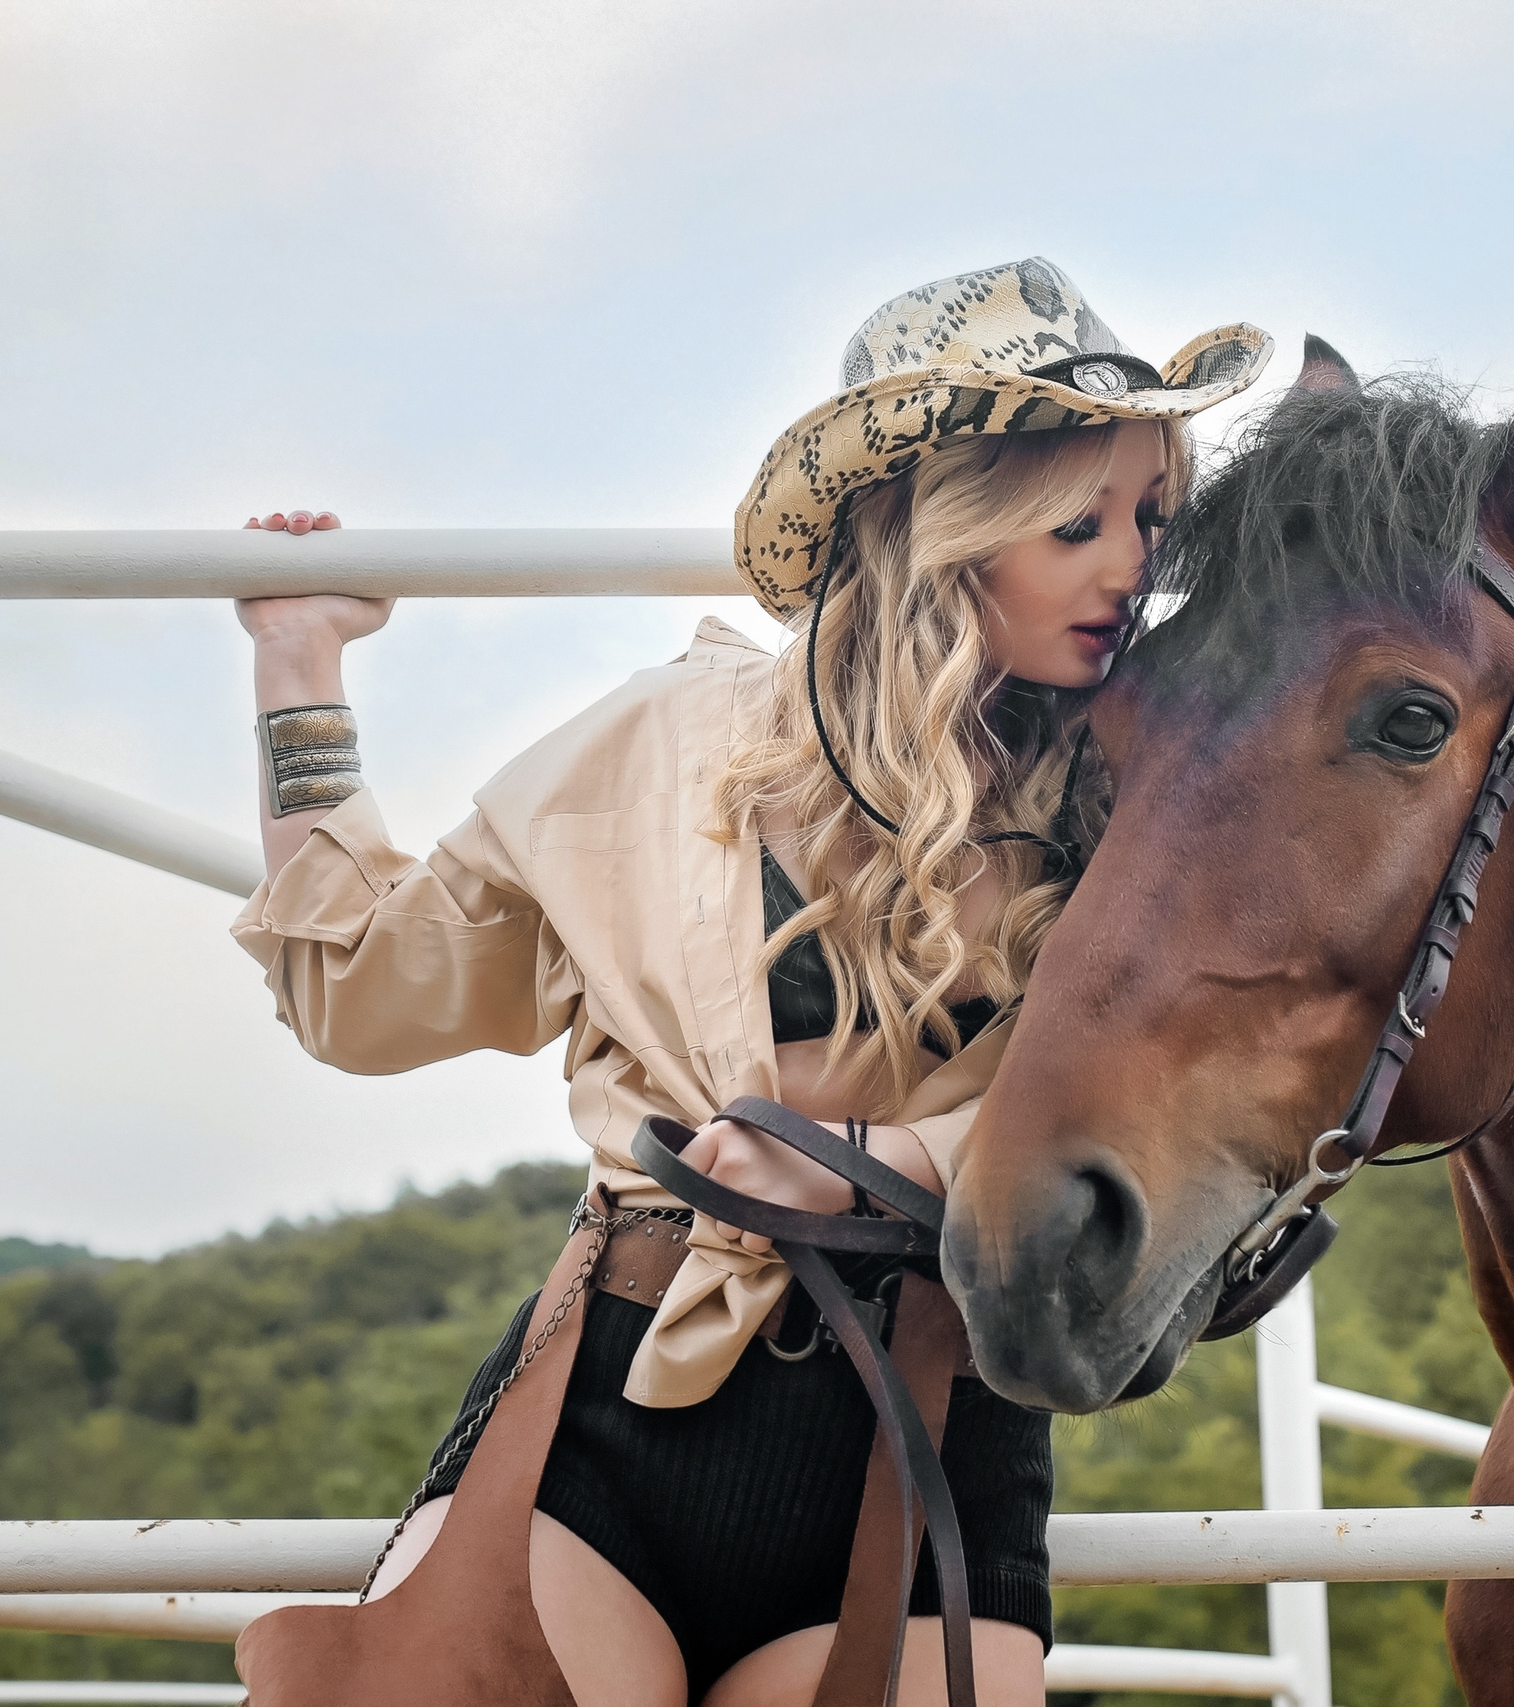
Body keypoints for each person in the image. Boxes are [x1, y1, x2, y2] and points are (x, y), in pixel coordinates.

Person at [228, 258, 1269, 1707]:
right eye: (1075, 520)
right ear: (941, 527)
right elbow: (360, 993)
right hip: (611, 1414)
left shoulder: (1144, 799)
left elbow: (1208, 1103)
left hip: (930, 1446)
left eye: (1150, 519)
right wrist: (300, 667)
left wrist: (889, 1162)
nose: (1127, 567)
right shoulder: (665, 740)